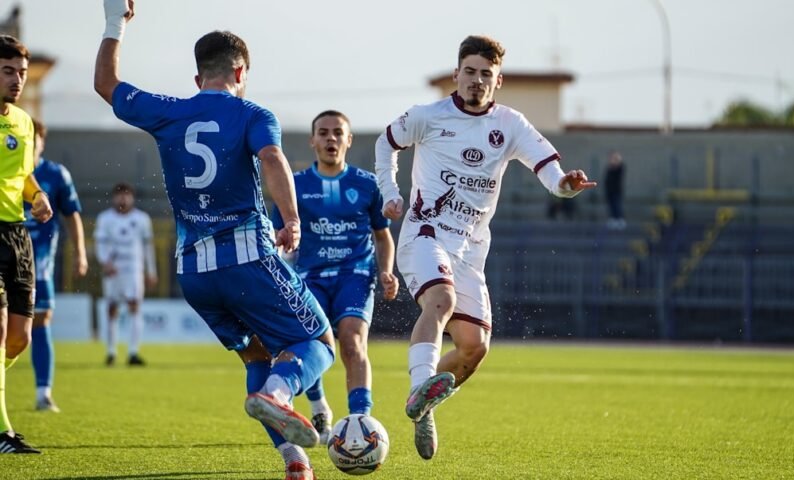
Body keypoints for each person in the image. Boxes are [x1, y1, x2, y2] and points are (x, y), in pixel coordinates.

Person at [94, 2, 334, 478]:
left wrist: (113, 22)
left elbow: (106, 85)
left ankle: (295, 462)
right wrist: (292, 219)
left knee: (257, 354)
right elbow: (271, 160)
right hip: (246, 259)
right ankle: (279, 396)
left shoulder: (169, 112)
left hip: (193, 272)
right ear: (241, 71)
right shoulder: (252, 113)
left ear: (197, 76)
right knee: (318, 341)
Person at [375, 34, 597, 460]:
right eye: (470, 72)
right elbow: (386, 143)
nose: (477, 81)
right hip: (425, 233)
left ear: (498, 81)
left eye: (486, 75)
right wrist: (389, 190)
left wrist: (565, 187)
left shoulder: (510, 124)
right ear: (456, 74)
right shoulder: (428, 116)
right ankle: (421, 383)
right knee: (439, 300)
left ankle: (423, 408)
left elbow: (549, 169)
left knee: (474, 347)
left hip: (471, 249)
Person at [271, 110, 398, 443]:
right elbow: (276, 234)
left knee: (353, 341)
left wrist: (386, 271)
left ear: (348, 140)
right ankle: (319, 405)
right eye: (323, 133)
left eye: (338, 133)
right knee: (310, 342)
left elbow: (382, 235)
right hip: (309, 276)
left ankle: (361, 421)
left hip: (354, 273)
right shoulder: (295, 185)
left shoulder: (367, 184)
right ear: (312, 140)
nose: (331, 139)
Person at [0, 34, 53, 454]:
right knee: (0, 332)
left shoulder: (22, 121)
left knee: (20, 339)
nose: (17, 80)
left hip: (17, 236)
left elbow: (24, 177)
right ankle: (3, 432)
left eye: (21, 73)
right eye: (7, 72)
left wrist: (37, 196)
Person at [24, 120, 88, 411]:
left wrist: (80, 253)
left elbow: (72, 215)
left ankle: (43, 392)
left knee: (41, 319)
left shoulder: (55, 175)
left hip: (41, 264)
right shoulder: (7, 168)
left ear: (41, 142)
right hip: (6, 257)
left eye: (33, 138)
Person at [94, 182, 156, 367]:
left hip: (133, 269)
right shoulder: (105, 218)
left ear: (132, 197)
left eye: (126, 194)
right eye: (119, 194)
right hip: (114, 269)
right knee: (112, 308)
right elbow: (100, 244)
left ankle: (133, 352)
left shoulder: (142, 219)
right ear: (114, 197)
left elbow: (148, 247)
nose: (123, 198)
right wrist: (105, 262)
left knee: (134, 306)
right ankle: (111, 352)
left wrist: (151, 271)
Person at [604, 150, 625, 229]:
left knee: (617, 205)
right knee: (611, 205)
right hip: (609, 191)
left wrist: (616, 161)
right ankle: (613, 219)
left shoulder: (620, 168)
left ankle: (619, 219)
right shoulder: (609, 168)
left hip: (616, 190)